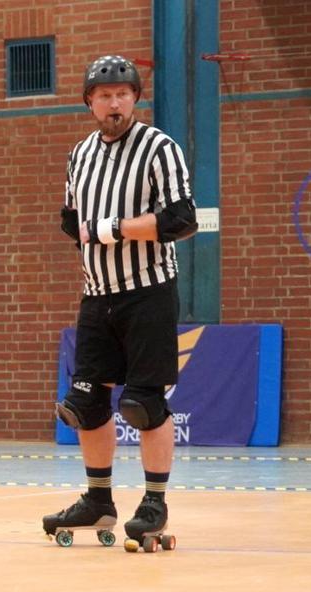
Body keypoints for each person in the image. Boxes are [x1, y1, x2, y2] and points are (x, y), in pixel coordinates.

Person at [42, 55, 196, 552]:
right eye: (105, 96)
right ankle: (98, 498)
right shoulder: (80, 154)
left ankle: (154, 502)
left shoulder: (159, 148)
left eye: (124, 94)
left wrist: (115, 230)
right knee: (85, 402)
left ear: (135, 98)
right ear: (90, 101)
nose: (115, 103)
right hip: (96, 295)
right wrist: (93, 244)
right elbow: (72, 221)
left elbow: (181, 220)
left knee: (143, 403)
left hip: (148, 292)